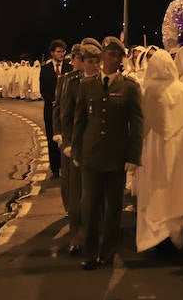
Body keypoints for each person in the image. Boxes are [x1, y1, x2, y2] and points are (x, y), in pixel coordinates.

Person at [71, 36, 143, 270]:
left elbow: (137, 124)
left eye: (119, 55)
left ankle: (108, 252)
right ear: (102, 56)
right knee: (90, 207)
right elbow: (80, 120)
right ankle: (90, 252)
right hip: (91, 156)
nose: (115, 59)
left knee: (113, 208)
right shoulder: (87, 85)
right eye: (111, 54)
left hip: (116, 157)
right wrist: (76, 150)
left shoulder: (129, 87)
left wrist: (133, 156)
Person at [133, 48, 183, 253]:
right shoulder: (182, 90)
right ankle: (174, 233)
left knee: (154, 188)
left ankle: (155, 235)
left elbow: (140, 125)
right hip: (177, 146)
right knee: (174, 187)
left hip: (153, 147)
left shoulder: (146, 91)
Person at [54, 39, 100, 256]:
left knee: (96, 192)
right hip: (75, 143)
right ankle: (77, 236)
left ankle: (96, 233)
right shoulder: (68, 81)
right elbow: (62, 112)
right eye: (86, 59)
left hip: (97, 143)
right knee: (76, 193)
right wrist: (65, 141)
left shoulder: (104, 79)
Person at [40, 39, 71, 178]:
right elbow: (43, 89)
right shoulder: (45, 69)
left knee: (65, 138)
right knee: (52, 138)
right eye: (58, 51)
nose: (61, 54)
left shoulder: (68, 68)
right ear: (52, 53)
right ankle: (55, 168)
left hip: (65, 109)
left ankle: (66, 166)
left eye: (63, 51)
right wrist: (52, 100)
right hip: (51, 109)